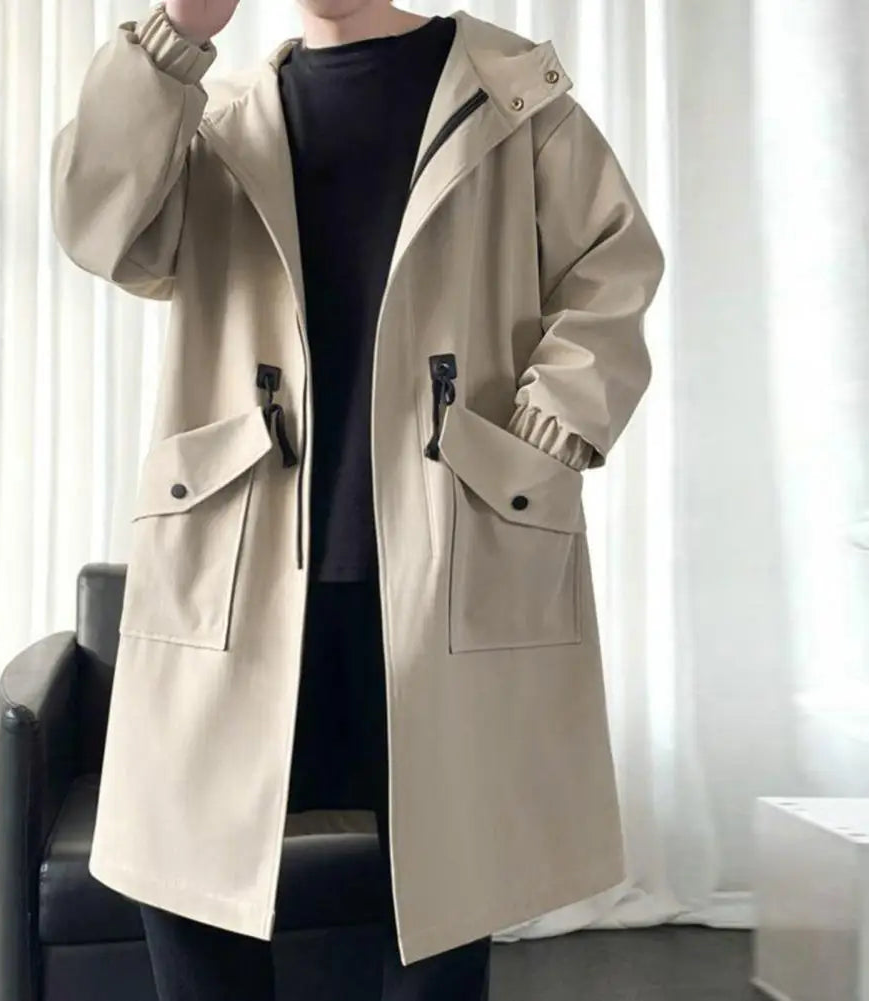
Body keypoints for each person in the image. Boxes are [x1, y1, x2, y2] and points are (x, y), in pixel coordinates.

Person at [51, 0, 665, 999]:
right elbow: (101, 233)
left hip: (444, 557)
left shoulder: (507, 92)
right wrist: (173, 38)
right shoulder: (216, 115)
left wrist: (543, 430)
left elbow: (611, 261)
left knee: (442, 899)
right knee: (184, 876)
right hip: (241, 561)